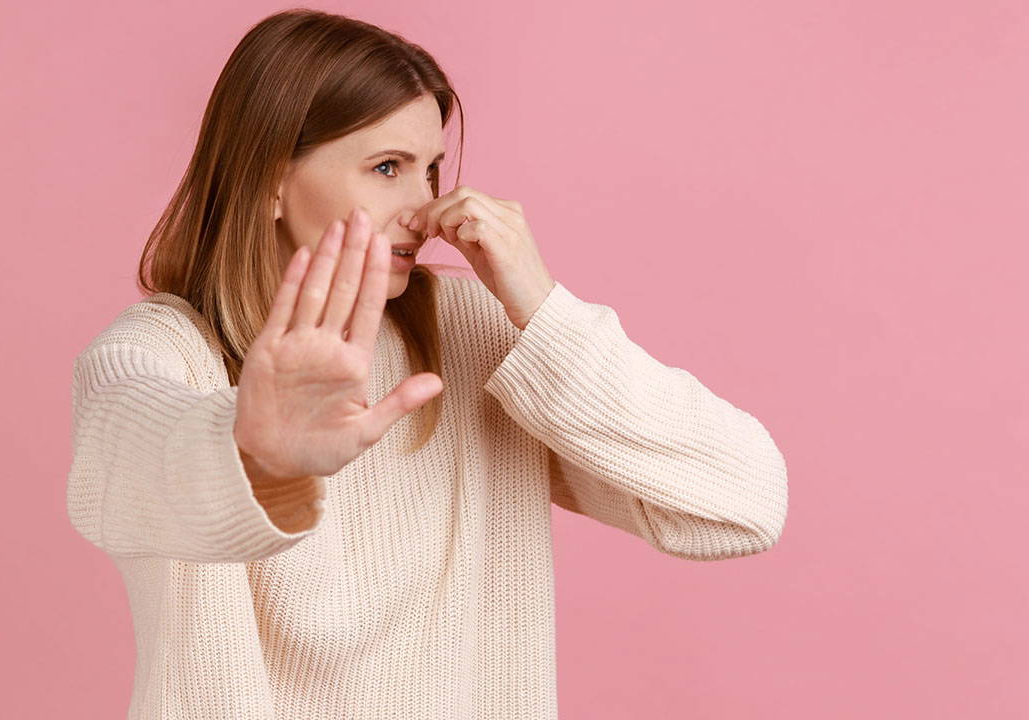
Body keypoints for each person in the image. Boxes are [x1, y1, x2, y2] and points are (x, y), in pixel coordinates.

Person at [65, 8, 788, 719]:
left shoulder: (468, 334)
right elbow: (126, 469)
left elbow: (744, 502)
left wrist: (545, 310)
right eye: (387, 168)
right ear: (269, 182)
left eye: (432, 169)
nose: (425, 209)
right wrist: (255, 449)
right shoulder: (161, 352)